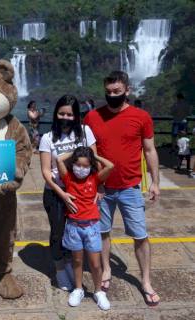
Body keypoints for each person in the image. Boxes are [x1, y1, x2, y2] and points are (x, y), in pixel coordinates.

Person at [84, 71, 161, 306]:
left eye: (117, 92)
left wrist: (155, 182)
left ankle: (145, 281)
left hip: (130, 186)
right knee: (103, 232)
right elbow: (87, 153)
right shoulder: (92, 117)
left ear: (127, 90)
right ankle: (107, 269)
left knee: (140, 235)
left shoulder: (141, 117)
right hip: (102, 188)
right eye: (108, 92)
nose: (112, 96)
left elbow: (149, 151)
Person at [39, 94, 97, 291]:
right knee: (58, 233)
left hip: (80, 192)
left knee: (75, 232)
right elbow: (46, 171)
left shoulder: (85, 132)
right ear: (56, 114)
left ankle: (72, 265)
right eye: (62, 113)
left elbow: (94, 160)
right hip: (56, 193)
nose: (66, 117)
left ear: (76, 116)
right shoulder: (47, 138)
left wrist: (99, 188)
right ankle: (60, 270)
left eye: (70, 114)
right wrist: (62, 194)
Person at [56, 146, 114, 310]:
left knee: (95, 264)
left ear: (91, 166)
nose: (81, 169)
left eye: (85, 166)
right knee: (77, 260)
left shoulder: (95, 178)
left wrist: (94, 155)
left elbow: (110, 166)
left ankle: (98, 291)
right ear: (73, 164)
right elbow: (59, 159)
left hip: (92, 227)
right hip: (73, 226)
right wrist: (75, 151)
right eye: (78, 165)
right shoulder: (68, 178)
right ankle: (79, 289)